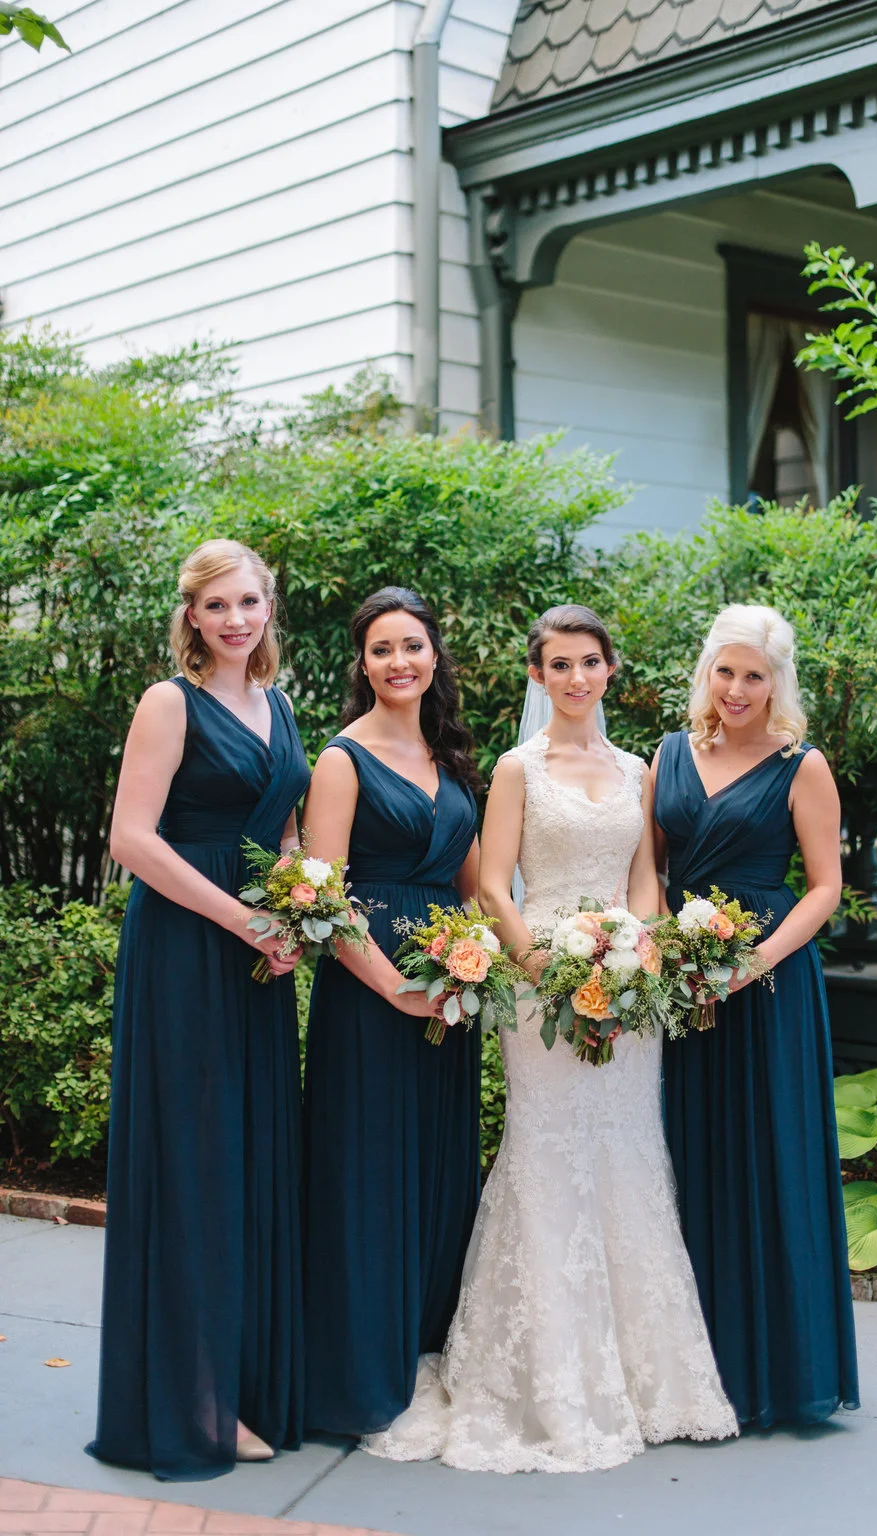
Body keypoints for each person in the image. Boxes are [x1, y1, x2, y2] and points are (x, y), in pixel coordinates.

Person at [364, 604, 737, 1473]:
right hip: (542, 990)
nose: (576, 679)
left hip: (627, 989)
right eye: (559, 665)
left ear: (611, 671)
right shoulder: (514, 768)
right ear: (538, 676)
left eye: (590, 663)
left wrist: (636, 954)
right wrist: (544, 970)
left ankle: (648, 1379)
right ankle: (544, 1374)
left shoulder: (638, 768)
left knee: (628, 1153)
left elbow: (647, 876)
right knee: (547, 1153)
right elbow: (494, 885)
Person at [89, 539, 309, 1480]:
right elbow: (131, 838)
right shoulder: (167, 703)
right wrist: (240, 918)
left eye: (249, 603)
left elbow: (289, 828)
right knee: (196, 1165)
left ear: (268, 610)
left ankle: (243, 1385)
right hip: (187, 948)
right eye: (216, 605)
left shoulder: (281, 707)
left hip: (261, 956)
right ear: (190, 616)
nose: (234, 620)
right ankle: (191, 1406)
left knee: (252, 1160)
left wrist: (303, 905)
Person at [652, 603, 859, 1429]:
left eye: (754, 675)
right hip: (680, 987)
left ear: (778, 682)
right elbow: (648, 871)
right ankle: (696, 1370)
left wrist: (752, 964)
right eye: (725, 671)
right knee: (687, 1150)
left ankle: (779, 1366)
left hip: (768, 985)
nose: (736, 689)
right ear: (707, 671)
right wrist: (656, 950)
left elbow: (825, 887)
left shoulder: (801, 766)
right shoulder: (667, 756)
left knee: (770, 1153)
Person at [302, 587, 481, 1438]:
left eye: (413, 645)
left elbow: (475, 887)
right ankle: (355, 1367)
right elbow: (324, 900)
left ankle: (423, 1345)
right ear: (362, 664)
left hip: (451, 999)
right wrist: (394, 989)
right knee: (367, 1171)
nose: (400, 662)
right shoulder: (341, 759)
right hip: (370, 1001)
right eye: (382, 649)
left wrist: (472, 966)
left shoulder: (452, 759)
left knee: (438, 1169)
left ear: (434, 655)